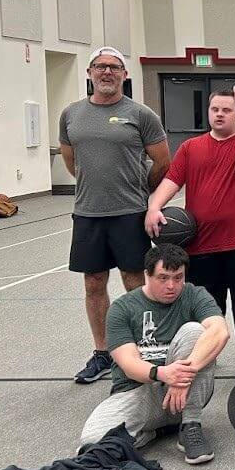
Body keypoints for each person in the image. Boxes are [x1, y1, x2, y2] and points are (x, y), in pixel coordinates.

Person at [60, 47, 171, 385]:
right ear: (90, 73)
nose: (106, 72)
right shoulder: (71, 115)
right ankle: (103, 352)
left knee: (135, 282)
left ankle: (137, 350)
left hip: (130, 213)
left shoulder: (140, 114)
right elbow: (71, 161)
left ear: (125, 75)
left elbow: (163, 162)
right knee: (93, 283)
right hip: (88, 214)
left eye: (114, 67)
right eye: (100, 67)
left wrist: (142, 191)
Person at [145, 85, 235, 375]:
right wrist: (154, 206)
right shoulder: (191, 148)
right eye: (215, 109)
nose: (219, 114)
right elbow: (172, 181)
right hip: (200, 243)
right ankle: (205, 352)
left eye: (227, 110)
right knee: (205, 302)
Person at [79, 244, 230, 465]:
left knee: (196, 332)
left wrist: (181, 378)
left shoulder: (194, 294)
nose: (172, 285)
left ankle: (190, 425)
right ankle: (157, 431)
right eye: (163, 278)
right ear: (146, 274)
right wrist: (163, 373)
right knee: (92, 443)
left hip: (184, 394)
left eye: (178, 277)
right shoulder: (123, 308)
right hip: (140, 391)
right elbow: (128, 363)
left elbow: (220, 331)